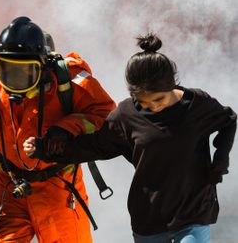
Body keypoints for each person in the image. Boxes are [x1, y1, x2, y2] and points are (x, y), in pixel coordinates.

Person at [24, 33, 237, 243]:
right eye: (144, 102)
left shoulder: (198, 104)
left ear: (172, 85)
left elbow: (229, 120)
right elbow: (94, 147)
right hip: (149, 217)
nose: (154, 106)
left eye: (159, 98)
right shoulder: (125, 116)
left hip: (193, 212)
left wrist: (220, 160)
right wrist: (45, 149)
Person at [0, 16, 116, 243]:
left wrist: (65, 131)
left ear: (43, 66)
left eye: (25, 72)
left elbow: (106, 115)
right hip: (10, 186)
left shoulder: (71, 80)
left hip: (59, 188)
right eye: (8, 70)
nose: (15, 80)